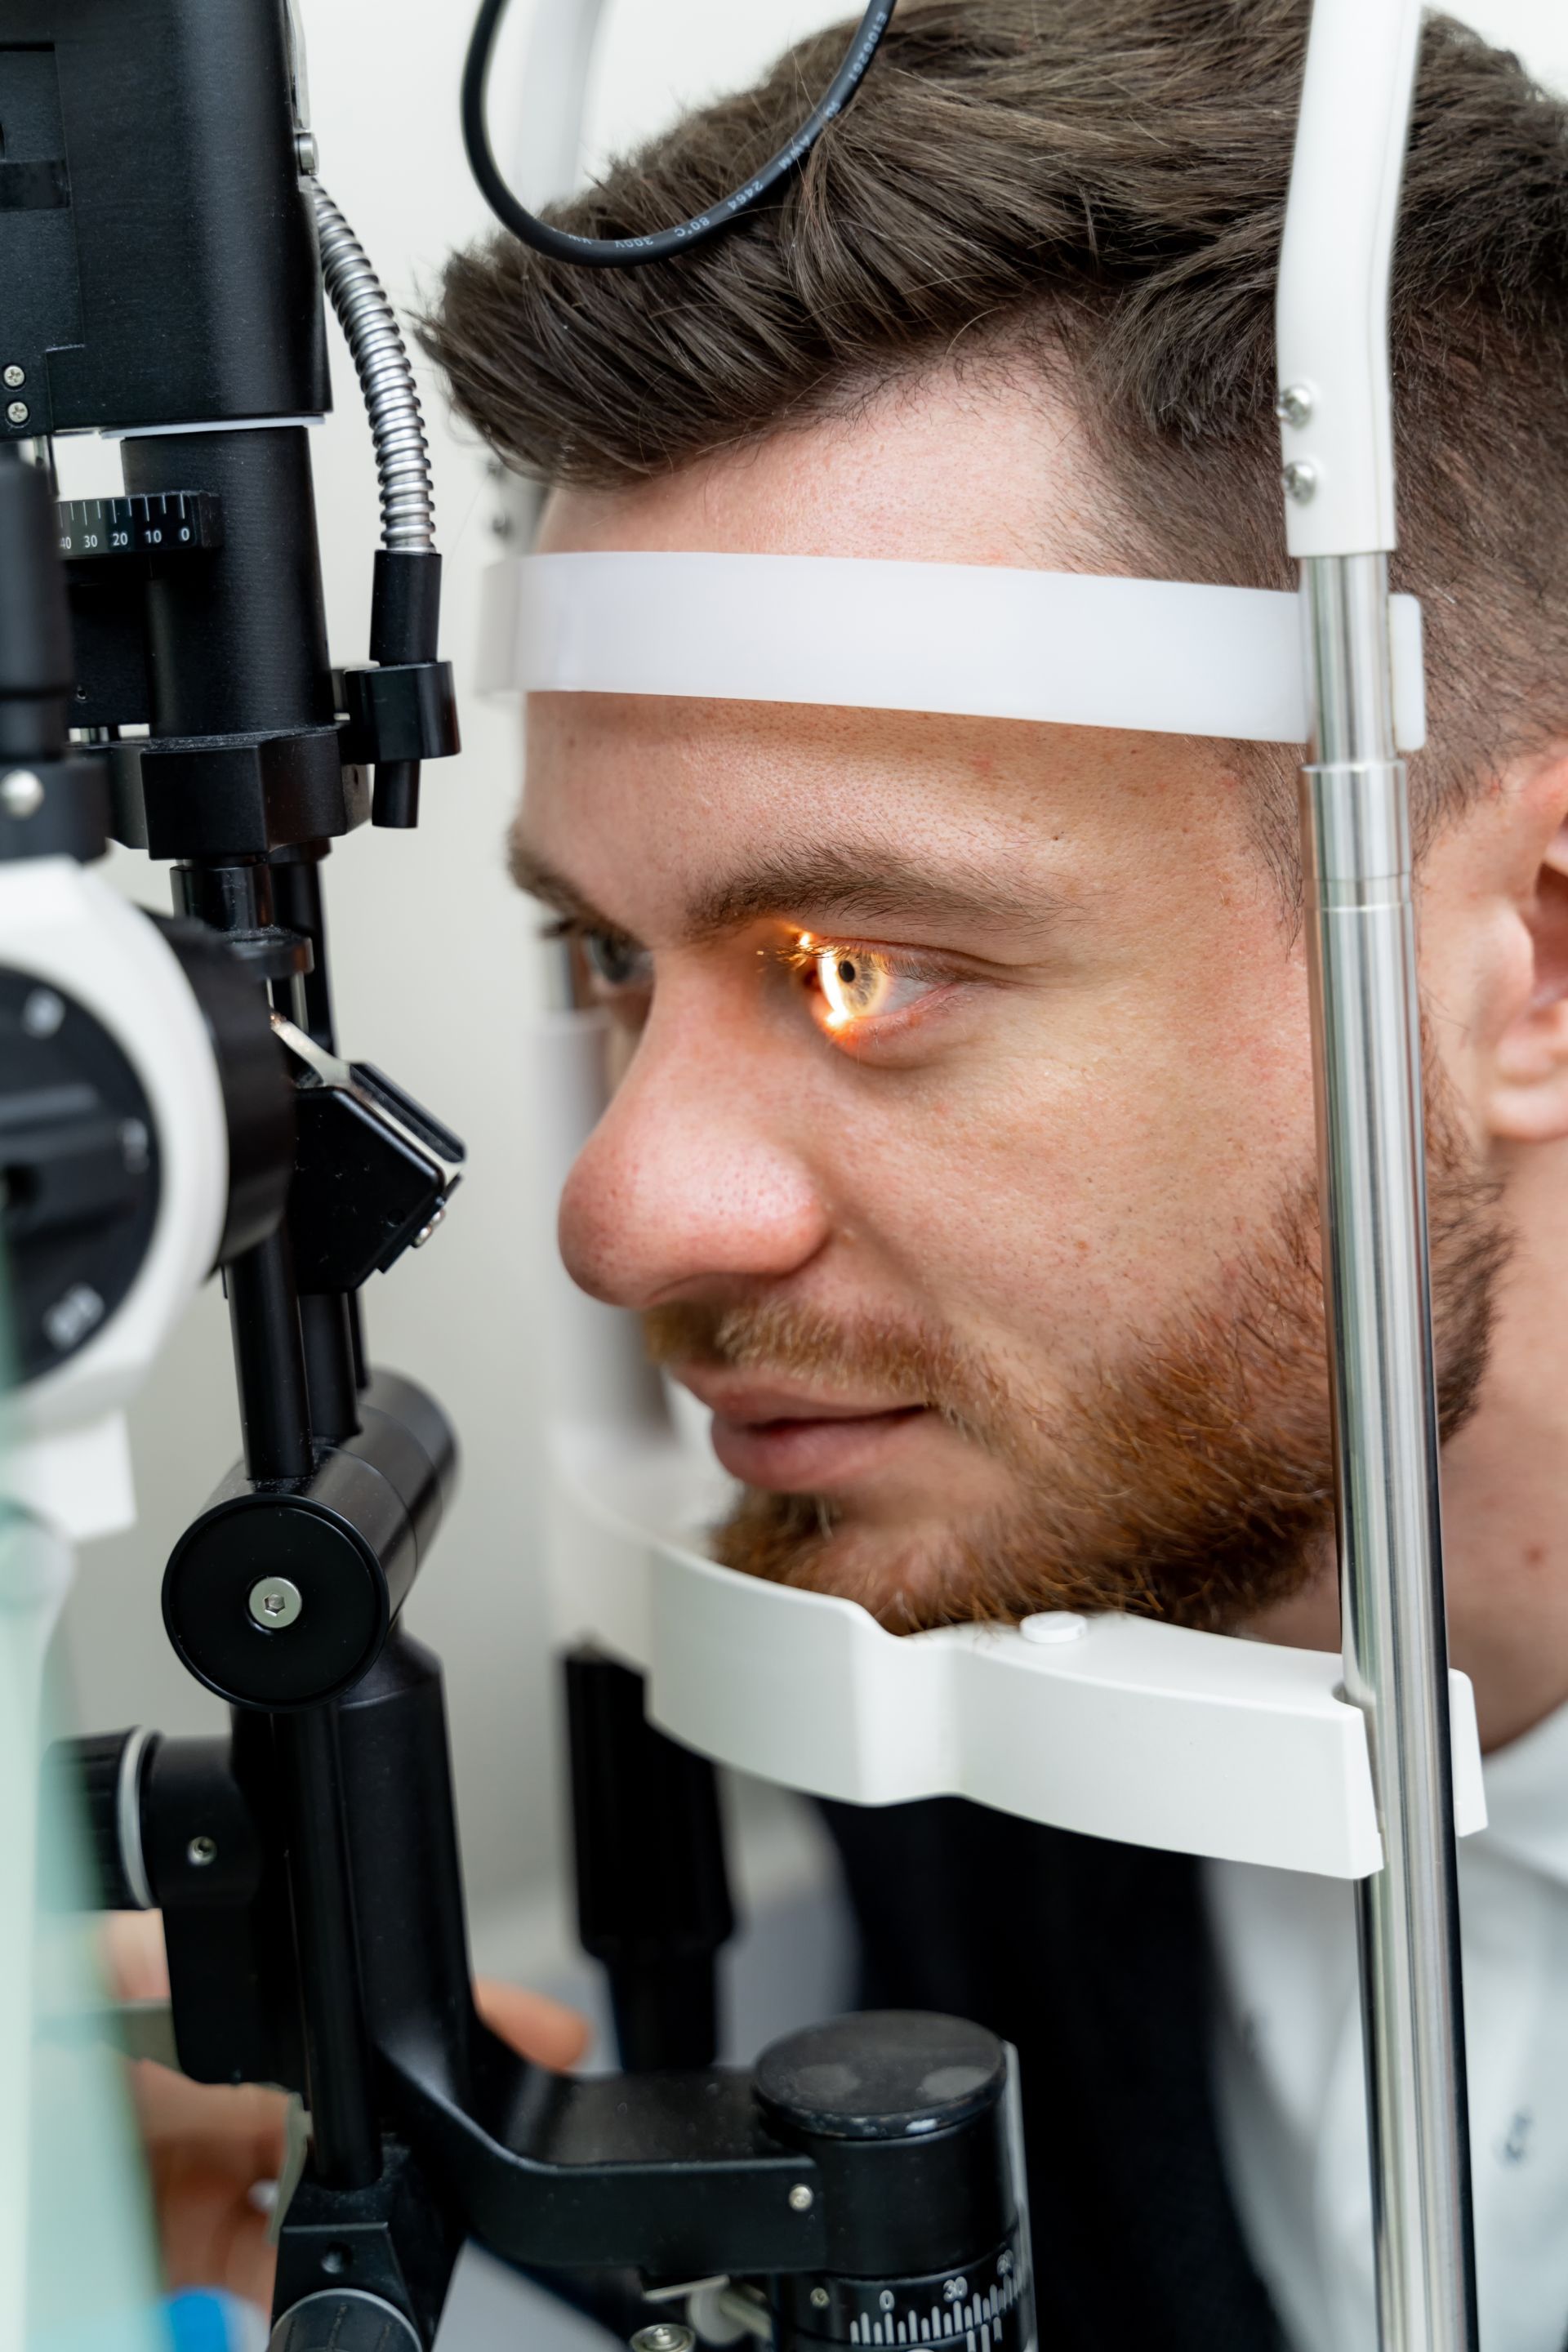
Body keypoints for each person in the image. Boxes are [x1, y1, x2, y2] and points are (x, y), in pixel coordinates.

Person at [417, 5, 1568, 2349]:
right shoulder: (984, 1679)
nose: (624, 1214)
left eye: (855, 969)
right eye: (603, 964)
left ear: (1536, 956)